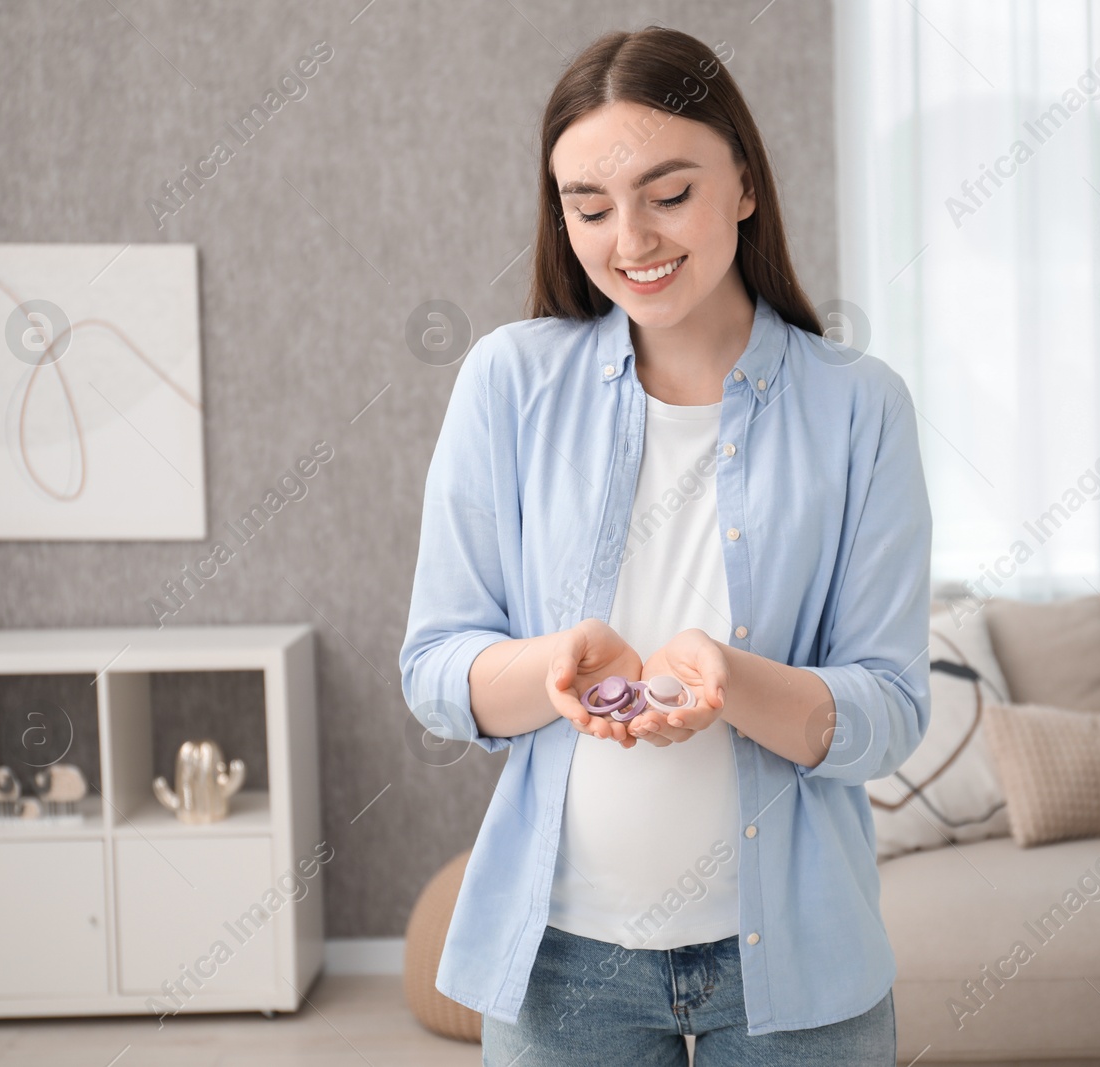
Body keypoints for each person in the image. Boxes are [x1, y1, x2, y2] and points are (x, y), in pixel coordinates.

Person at [399, 24, 932, 1066]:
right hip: (562, 966)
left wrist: (734, 680)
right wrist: (547, 667)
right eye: (588, 207)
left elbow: (891, 708)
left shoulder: (859, 406)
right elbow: (434, 667)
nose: (629, 238)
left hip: (797, 971)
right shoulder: (508, 382)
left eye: (668, 192)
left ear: (743, 183)